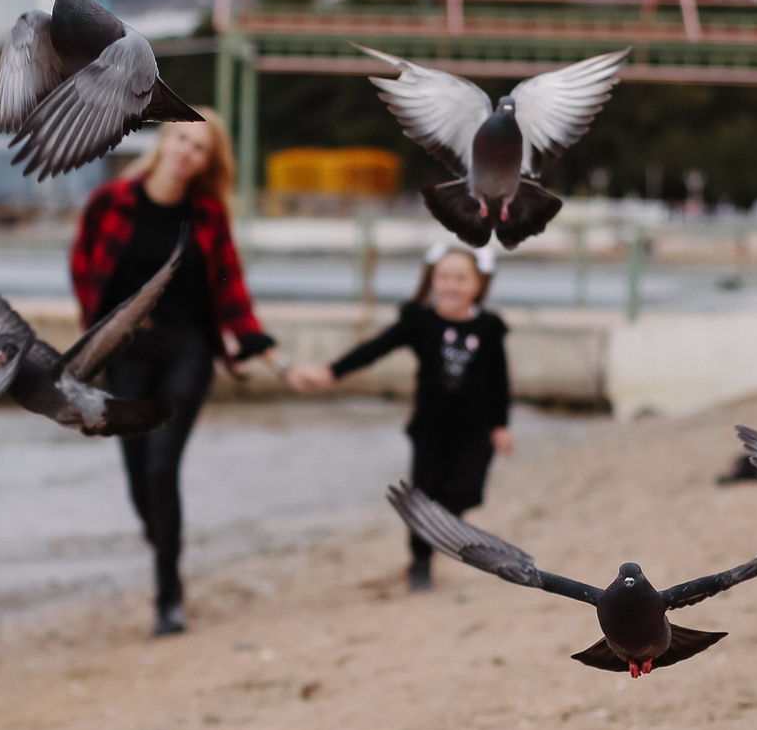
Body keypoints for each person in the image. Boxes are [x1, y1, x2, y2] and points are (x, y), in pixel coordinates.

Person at [70, 111, 288, 636]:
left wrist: (275, 359)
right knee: (137, 475)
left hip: (188, 351)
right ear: (165, 140)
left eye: (200, 147)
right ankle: (165, 544)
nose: (187, 151)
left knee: (162, 467)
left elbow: (233, 292)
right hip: (127, 354)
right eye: (183, 138)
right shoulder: (111, 201)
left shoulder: (208, 215)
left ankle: (169, 597)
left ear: (207, 163)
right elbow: (82, 268)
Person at [288, 241, 512, 592]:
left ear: (478, 285)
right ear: (432, 280)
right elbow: (375, 349)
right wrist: (331, 372)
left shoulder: (490, 327)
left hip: (476, 431)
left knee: (466, 492)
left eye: (460, 278)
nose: (451, 285)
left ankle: (446, 527)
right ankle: (420, 562)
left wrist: (502, 425)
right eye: (444, 277)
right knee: (423, 498)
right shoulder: (420, 322)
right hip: (430, 430)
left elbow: (499, 379)